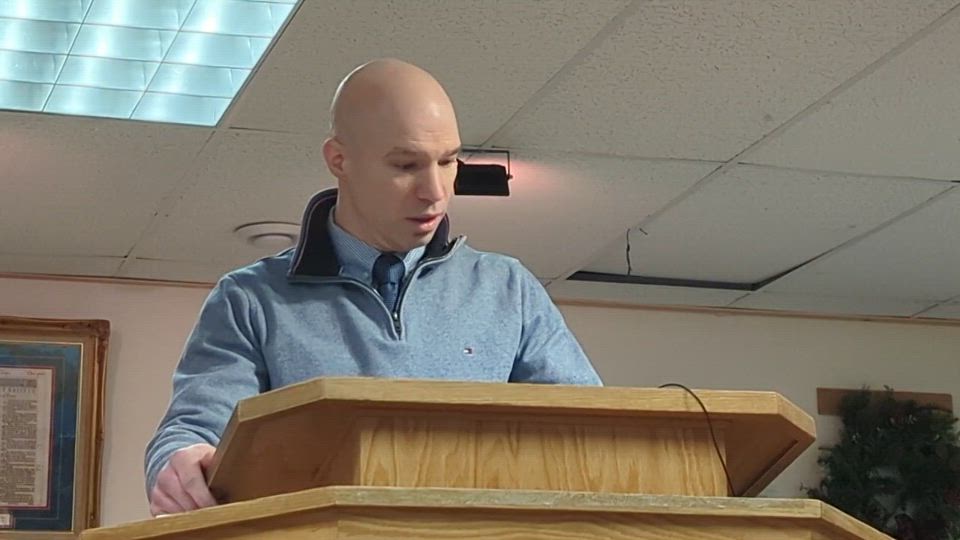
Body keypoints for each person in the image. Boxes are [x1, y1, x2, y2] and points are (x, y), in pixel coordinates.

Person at [144, 59, 602, 517]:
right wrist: (179, 463)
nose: (435, 191)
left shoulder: (509, 290)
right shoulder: (250, 299)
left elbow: (594, 437)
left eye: (448, 161)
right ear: (338, 160)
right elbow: (194, 433)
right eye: (405, 165)